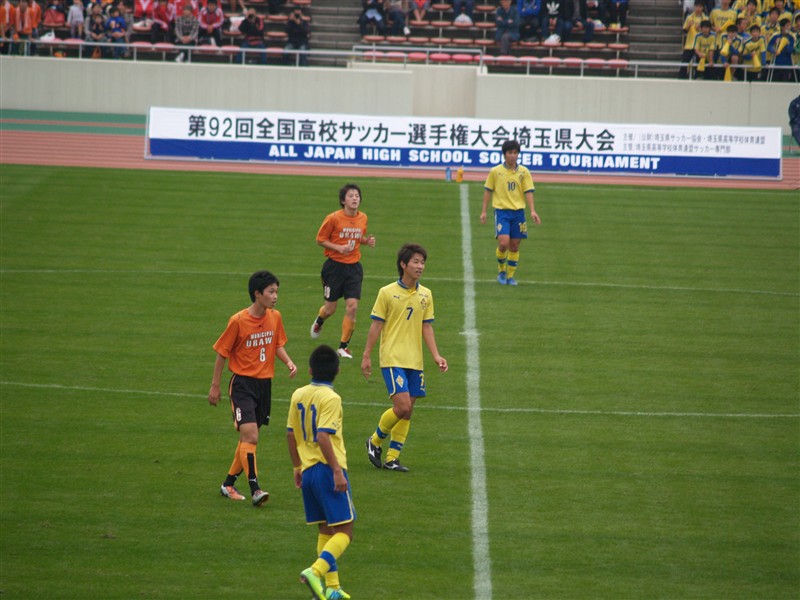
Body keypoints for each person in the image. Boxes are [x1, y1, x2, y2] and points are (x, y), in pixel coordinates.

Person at [209, 270, 298, 508]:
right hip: (242, 385)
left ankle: (228, 484)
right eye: (271, 292)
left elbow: (276, 344)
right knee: (251, 436)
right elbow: (221, 353)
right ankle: (255, 489)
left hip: (264, 385)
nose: (275, 296)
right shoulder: (238, 321)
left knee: (248, 440)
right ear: (257, 294)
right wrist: (215, 386)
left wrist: (288, 362)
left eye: (276, 291)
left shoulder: (275, 317)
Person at [362, 243, 448, 473]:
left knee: (408, 411)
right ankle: (374, 441)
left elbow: (426, 327)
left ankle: (392, 458)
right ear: (403, 264)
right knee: (402, 406)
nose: (420, 266)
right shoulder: (386, 292)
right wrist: (366, 355)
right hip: (392, 358)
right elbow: (376, 325)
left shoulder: (426, 294)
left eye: (423, 262)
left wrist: (436, 355)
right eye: (416, 262)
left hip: (415, 361)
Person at [287, 345, 354, 600]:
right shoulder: (331, 399)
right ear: (337, 371)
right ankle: (315, 572)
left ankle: (332, 588)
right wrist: (337, 471)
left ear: (309, 370)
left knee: (326, 530)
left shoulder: (298, 394)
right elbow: (324, 436)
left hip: (308, 472)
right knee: (345, 531)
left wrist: (297, 466)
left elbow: (290, 434)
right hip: (327, 470)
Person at [310, 183, 376, 360]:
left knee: (352, 307)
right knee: (330, 309)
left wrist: (366, 241)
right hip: (334, 268)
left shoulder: (363, 218)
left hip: (353, 268)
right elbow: (320, 240)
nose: (355, 199)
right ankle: (320, 320)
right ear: (343, 200)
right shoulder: (333, 218)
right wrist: (338, 248)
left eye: (357, 196)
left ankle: (343, 347)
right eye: (351, 196)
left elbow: (357, 237)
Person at [480, 139, 541, 286]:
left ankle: (510, 276)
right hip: (502, 212)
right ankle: (501, 270)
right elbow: (488, 190)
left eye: (515, 153)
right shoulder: (496, 172)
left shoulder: (524, 172)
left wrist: (532, 210)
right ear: (504, 154)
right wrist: (484, 211)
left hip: (518, 213)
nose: (513, 156)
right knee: (503, 243)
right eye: (510, 153)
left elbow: (528, 191)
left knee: (514, 245)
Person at [679, 0, 708, 77]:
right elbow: (684, 30)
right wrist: (688, 26)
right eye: (697, 6)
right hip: (690, 44)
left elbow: (708, 32)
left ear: (703, 8)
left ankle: (698, 77)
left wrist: (700, 29)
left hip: (700, 45)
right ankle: (682, 77)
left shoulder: (705, 18)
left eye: (700, 7)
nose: (698, 8)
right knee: (685, 62)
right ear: (694, 7)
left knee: (700, 62)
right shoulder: (689, 17)